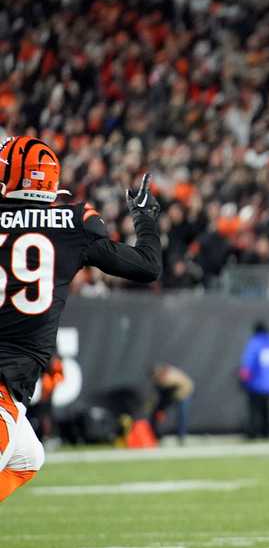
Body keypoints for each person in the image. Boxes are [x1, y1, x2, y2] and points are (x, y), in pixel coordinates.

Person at [0, 137, 162, 502]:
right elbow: (148, 267)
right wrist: (146, 219)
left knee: (27, 457)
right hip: (5, 375)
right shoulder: (72, 223)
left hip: (10, 377)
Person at [239, 321, 269, 439]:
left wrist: (244, 378)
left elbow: (248, 362)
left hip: (255, 383)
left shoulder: (255, 343)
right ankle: (266, 433)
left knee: (254, 410)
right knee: (266, 410)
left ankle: (253, 433)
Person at [151, 364, 194, 444]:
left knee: (182, 415)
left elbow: (166, 393)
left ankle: (181, 438)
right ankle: (156, 435)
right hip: (171, 394)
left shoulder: (171, 379)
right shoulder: (159, 379)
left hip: (183, 394)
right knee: (158, 414)